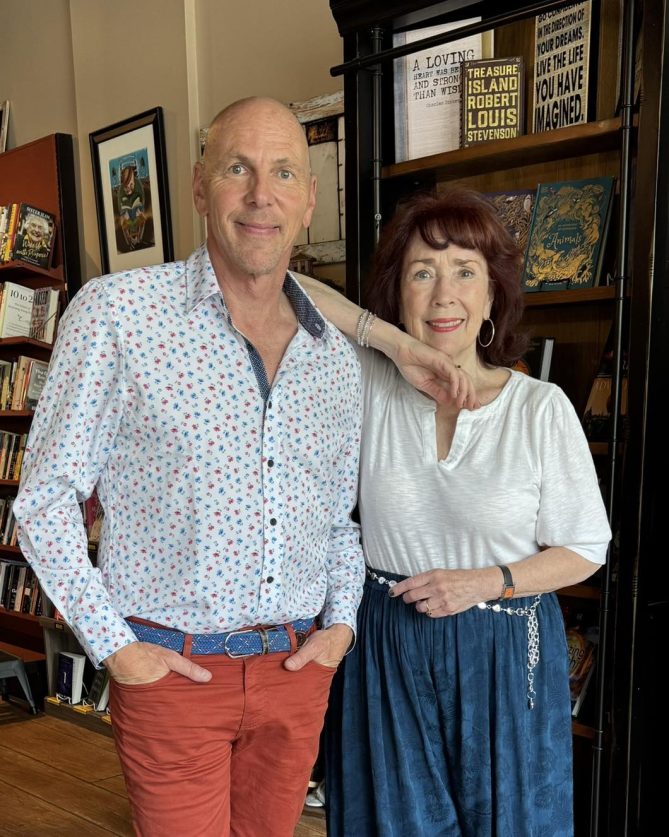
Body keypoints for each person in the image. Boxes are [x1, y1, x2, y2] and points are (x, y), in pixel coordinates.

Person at [13, 97, 472, 837]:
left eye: (283, 172)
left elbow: (334, 519)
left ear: (308, 199)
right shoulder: (117, 314)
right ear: (200, 186)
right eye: (238, 168)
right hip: (171, 672)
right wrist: (117, 647)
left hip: (297, 671)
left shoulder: (335, 358)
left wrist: (341, 629)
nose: (262, 194)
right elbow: (44, 500)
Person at [295, 187, 612, 837]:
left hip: (502, 648)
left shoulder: (538, 407)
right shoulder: (365, 382)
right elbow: (278, 283)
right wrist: (391, 344)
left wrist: (483, 581)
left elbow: (585, 546)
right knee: (392, 820)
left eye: (465, 271)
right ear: (396, 292)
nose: (444, 294)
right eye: (422, 272)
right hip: (387, 640)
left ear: (492, 294)